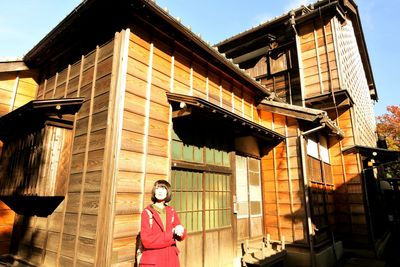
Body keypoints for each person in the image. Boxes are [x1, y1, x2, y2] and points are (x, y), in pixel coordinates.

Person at [139, 180, 187, 266]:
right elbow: (147, 241)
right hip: (154, 261)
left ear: (167, 193)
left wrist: (181, 231)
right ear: (154, 191)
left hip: (171, 260)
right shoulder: (147, 213)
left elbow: (180, 236)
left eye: (164, 189)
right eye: (158, 188)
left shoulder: (171, 211)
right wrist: (171, 234)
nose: (160, 191)